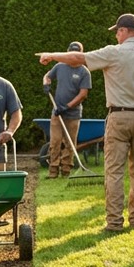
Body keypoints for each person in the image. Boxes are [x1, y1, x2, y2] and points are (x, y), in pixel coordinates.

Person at [37, 14, 134, 231]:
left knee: (114, 171)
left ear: (124, 30)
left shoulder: (113, 52)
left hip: (119, 117)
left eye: (117, 31)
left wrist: (51, 55)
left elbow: (77, 58)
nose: (116, 35)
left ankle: (115, 222)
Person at [41, 41, 92, 178]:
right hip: (57, 112)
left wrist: (67, 107)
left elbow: (83, 94)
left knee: (70, 143)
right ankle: (53, 170)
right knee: (55, 141)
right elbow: (47, 76)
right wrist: (46, 83)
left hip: (73, 114)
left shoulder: (84, 72)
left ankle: (66, 170)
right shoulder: (59, 66)